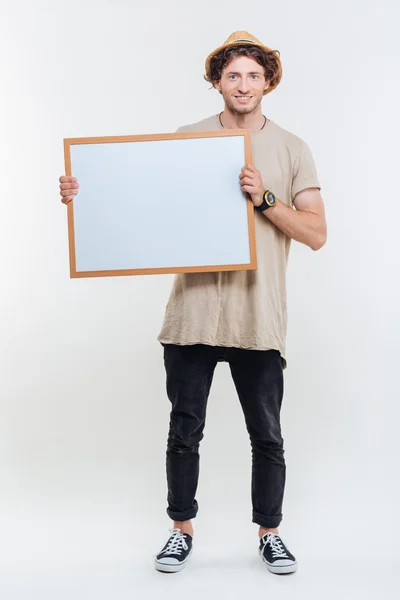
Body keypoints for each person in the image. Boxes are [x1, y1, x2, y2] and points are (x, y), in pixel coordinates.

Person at [59, 30, 327, 575]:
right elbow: (141, 206)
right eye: (233, 75)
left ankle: (269, 532)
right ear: (216, 81)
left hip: (258, 318)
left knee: (267, 435)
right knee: (184, 429)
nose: (244, 84)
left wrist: (265, 199)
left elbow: (317, 233)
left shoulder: (293, 148)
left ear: (268, 81)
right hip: (193, 315)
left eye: (254, 75)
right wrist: (85, 196)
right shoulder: (187, 139)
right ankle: (180, 529)